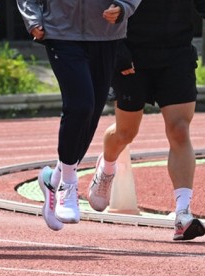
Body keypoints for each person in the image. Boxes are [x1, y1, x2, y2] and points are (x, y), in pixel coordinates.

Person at [87, 0, 205, 241]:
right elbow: (102, 11)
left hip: (176, 54)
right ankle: (107, 168)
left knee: (180, 129)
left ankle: (183, 214)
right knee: (126, 133)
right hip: (132, 54)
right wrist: (118, 51)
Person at [17, 0, 141, 231]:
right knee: (80, 105)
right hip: (61, 32)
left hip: (106, 34)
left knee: (92, 111)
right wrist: (33, 19)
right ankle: (68, 185)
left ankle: (52, 179)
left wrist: (124, 6)